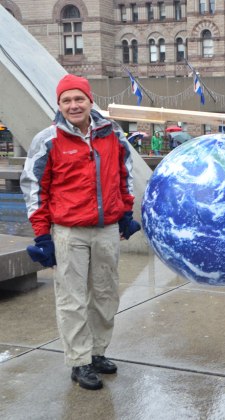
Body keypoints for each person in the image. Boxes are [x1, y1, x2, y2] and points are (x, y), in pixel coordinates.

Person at [20, 74, 141, 390]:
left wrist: (126, 212)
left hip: (106, 230)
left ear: (89, 100)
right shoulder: (48, 140)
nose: (73, 105)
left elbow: (123, 175)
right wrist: (42, 235)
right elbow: (34, 188)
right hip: (68, 233)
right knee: (72, 300)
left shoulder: (112, 134)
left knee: (105, 294)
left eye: (79, 99)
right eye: (66, 100)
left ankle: (98, 352)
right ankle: (79, 361)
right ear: (59, 105)